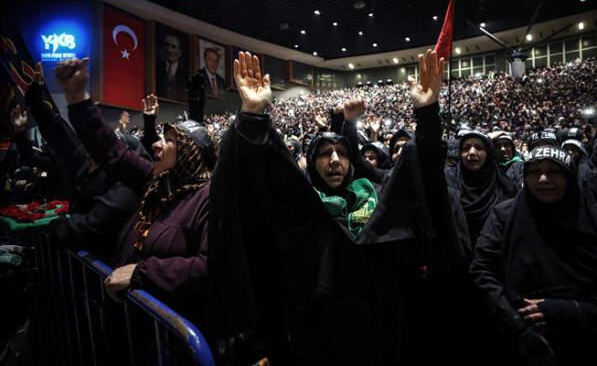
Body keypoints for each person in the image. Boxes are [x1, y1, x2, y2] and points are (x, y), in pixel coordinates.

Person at [209, 50, 470, 365]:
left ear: (352, 162)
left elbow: (423, 182)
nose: (334, 160)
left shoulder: (375, 195)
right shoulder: (302, 206)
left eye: (342, 153)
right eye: (324, 154)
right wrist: (252, 114)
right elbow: (257, 185)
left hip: (380, 334)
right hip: (315, 338)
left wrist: (427, 113)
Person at [54, 57, 213, 328]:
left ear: (189, 154)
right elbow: (112, 152)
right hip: (128, 317)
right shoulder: (155, 179)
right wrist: (77, 97)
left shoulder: (208, 198)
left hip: (168, 329)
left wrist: (143, 273)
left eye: (169, 141)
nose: (157, 145)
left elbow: (209, 266)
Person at [471, 145, 597, 365]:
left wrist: (570, 311)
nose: (543, 179)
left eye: (554, 171)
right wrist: (518, 326)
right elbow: (482, 271)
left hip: (593, 342)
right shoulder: (504, 217)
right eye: (533, 172)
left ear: (569, 176)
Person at [446, 130, 519, 246]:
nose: (472, 152)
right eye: (465, 148)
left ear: (489, 154)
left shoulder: (507, 188)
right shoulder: (449, 183)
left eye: (479, 147)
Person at [156, 33, 188, 101]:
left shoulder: (187, 75)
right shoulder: (156, 70)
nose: (169, 50)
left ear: (180, 52)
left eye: (173, 47)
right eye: (167, 45)